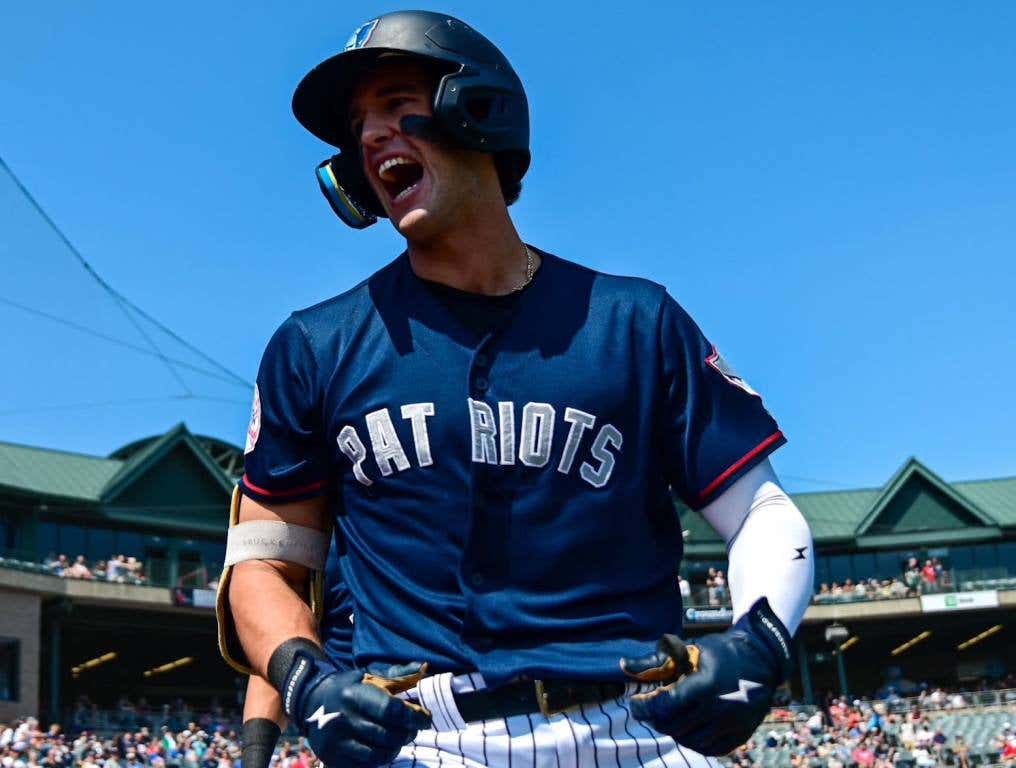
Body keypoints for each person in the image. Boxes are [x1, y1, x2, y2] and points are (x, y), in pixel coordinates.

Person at [219, 10, 814, 768]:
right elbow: (264, 564)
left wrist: (757, 639)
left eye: (398, 105)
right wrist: (305, 681)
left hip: (633, 729)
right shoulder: (316, 344)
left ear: (481, 110)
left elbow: (762, 512)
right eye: (357, 125)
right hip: (419, 738)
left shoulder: (634, 320)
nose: (370, 137)